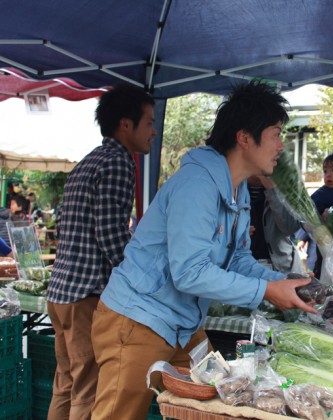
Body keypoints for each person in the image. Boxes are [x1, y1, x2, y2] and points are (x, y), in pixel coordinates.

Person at [90, 80, 316, 420]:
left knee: (217, 404)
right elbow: (189, 272)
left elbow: (237, 259)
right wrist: (266, 290)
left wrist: (283, 281)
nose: (281, 146)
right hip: (138, 319)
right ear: (244, 138)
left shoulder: (236, 190)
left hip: (183, 325)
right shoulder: (197, 185)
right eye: (275, 133)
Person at [45, 82, 157, 420]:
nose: (154, 131)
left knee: (66, 386)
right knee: (87, 391)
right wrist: (144, 279)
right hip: (87, 296)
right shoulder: (119, 164)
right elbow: (111, 236)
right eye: (149, 122)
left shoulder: (89, 161)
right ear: (126, 124)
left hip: (62, 292)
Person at [248, 174, 305, 273]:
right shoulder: (233, 186)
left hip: (281, 267)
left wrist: (273, 190)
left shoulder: (284, 188)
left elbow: (289, 227)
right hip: (243, 267)